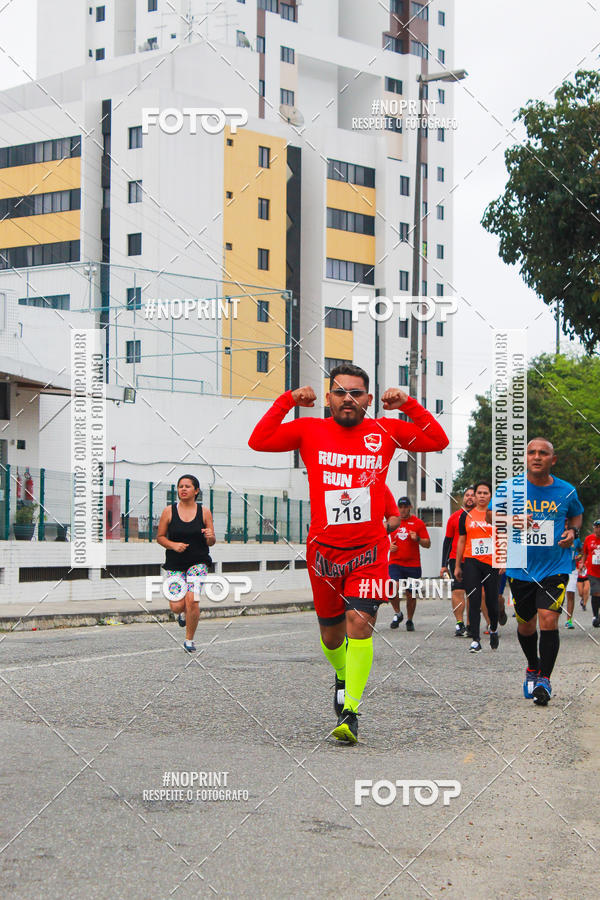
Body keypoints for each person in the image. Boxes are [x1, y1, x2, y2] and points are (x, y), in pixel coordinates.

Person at [248, 364, 448, 744]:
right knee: (330, 634)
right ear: (328, 398)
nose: (348, 399)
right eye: (340, 392)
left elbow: (437, 440)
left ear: (368, 400)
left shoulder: (384, 431)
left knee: (360, 622)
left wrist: (409, 405)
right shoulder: (310, 430)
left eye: (356, 393)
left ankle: (351, 711)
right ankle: (341, 673)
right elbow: (259, 440)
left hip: (369, 553)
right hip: (323, 553)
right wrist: (288, 400)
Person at [494, 438, 583, 705]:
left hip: (555, 566)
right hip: (520, 565)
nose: (536, 456)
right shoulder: (510, 488)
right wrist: (511, 520)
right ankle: (533, 665)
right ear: (526, 458)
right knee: (526, 625)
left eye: (543, 453)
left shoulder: (566, 490)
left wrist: (573, 532)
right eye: (531, 452)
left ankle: (544, 679)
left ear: (552, 460)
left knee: (548, 618)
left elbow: (577, 515)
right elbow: (488, 515)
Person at [156, 475, 216, 652]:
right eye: (180, 486)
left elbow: (211, 541)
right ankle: (182, 614)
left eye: (187, 486)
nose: (183, 489)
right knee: (176, 606)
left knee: (192, 599)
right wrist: (173, 545)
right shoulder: (169, 511)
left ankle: (189, 640)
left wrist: (210, 537)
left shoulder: (204, 512)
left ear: (196, 491)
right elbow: (160, 537)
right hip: (175, 563)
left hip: (198, 561)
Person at [454, 481, 500, 653]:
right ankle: (475, 639)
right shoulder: (466, 516)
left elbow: (504, 538)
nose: (481, 496)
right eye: (478, 493)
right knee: (473, 599)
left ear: (490, 496)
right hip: (471, 561)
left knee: (491, 602)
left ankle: (493, 628)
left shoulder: (495, 515)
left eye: (485, 493)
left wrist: (503, 560)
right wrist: (458, 565)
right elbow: (461, 540)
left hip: (491, 563)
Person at [388, 498, 430, 631]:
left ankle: (410, 620)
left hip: (413, 564)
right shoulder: (393, 523)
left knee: (411, 594)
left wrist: (417, 539)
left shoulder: (418, 523)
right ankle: (397, 613)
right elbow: (379, 538)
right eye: (400, 506)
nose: (403, 509)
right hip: (395, 562)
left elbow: (427, 543)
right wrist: (388, 546)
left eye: (405, 506)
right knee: (391, 587)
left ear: (410, 507)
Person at [440, 487, 475, 636]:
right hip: (456, 559)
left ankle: (471, 624)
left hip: (475, 559)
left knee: (473, 593)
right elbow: (447, 542)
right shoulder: (454, 517)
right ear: (463, 498)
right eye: (467, 495)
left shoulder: (483, 516)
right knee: (458, 590)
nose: (470, 498)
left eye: (473, 495)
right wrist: (443, 565)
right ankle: (460, 623)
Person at [582, 519, 600, 626]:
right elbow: (585, 553)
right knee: (596, 592)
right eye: (597, 527)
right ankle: (595, 616)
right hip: (592, 571)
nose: (598, 529)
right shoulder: (589, 539)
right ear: (594, 528)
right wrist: (582, 563)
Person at [564, 535, 582, 629]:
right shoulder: (558, 535)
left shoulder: (576, 539)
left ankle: (568, 620)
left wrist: (578, 557)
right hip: (559, 569)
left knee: (570, 594)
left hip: (572, 569)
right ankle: (552, 617)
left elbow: (581, 551)